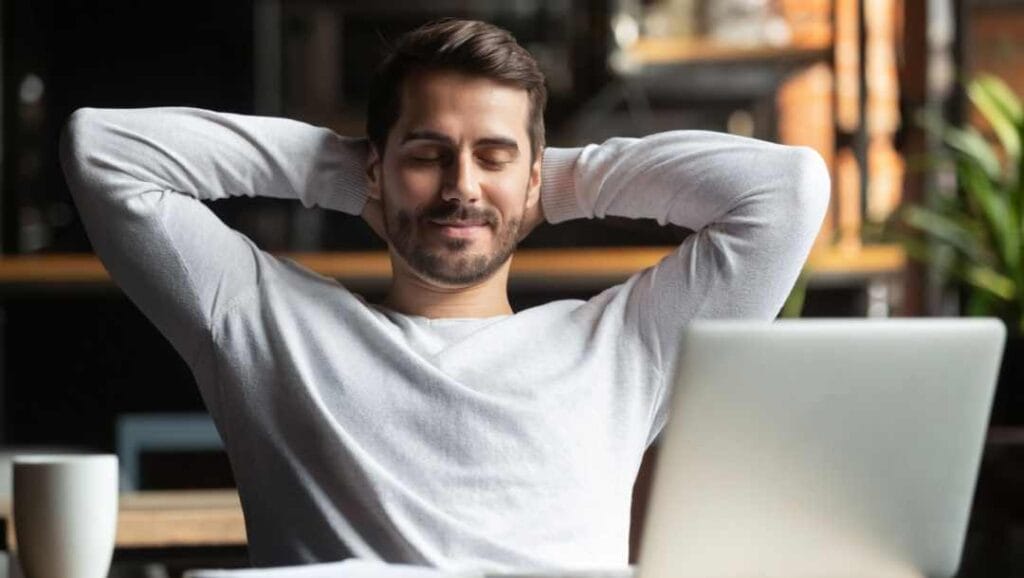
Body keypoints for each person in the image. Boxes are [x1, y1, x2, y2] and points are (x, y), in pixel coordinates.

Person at [60, 18, 829, 573]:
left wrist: (551, 181)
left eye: (492, 156)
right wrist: (346, 168)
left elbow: (785, 193)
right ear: (375, 170)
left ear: (534, 175)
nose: (462, 187)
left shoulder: (627, 346)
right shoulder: (263, 324)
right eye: (429, 156)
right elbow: (104, 154)